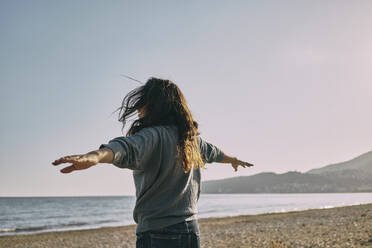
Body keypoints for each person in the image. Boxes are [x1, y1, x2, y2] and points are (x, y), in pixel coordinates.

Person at [52, 77, 254, 248]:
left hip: (158, 232)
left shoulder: (153, 136)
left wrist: (94, 157)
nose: (139, 108)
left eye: (143, 103)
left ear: (153, 105)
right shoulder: (191, 140)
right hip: (191, 230)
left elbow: (125, 147)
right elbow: (215, 153)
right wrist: (233, 160)